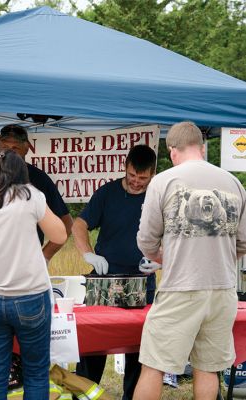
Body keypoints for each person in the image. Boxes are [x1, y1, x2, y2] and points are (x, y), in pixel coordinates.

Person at [132, 121, 246, 400]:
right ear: (203, 148)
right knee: (208, 369)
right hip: (223, 290)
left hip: (181, 287)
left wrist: (165, 259)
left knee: (154, 365)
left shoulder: (164, 180)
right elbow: (243, 242)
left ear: (172, 151)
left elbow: (146, 239)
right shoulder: (234, 183)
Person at [71, 144, 158, 400]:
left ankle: (132, 396)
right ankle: (82, 395)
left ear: (153, 174)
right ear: (125, 167)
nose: (136, 182)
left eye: (143, 178)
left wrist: (160, 259)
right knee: (92, 346)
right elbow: (79, 225)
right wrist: (89, 254)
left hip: (143, 281)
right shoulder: (107, 193)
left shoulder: (157, 196)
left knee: (140, 349)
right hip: (104, 282)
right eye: (132, 175)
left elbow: (173, 234)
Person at [0, 149, 67, 399]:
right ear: (22, 173)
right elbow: (60, 235)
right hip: (30, 297)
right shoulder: (31, 197)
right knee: (36, 372)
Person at [0, 124, 72, 262]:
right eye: (5, 147)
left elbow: (66, 224)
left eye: (15, 148)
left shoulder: (39, 181)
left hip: (26, 262)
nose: (9, 153)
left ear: (26, 148)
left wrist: (45, 257)